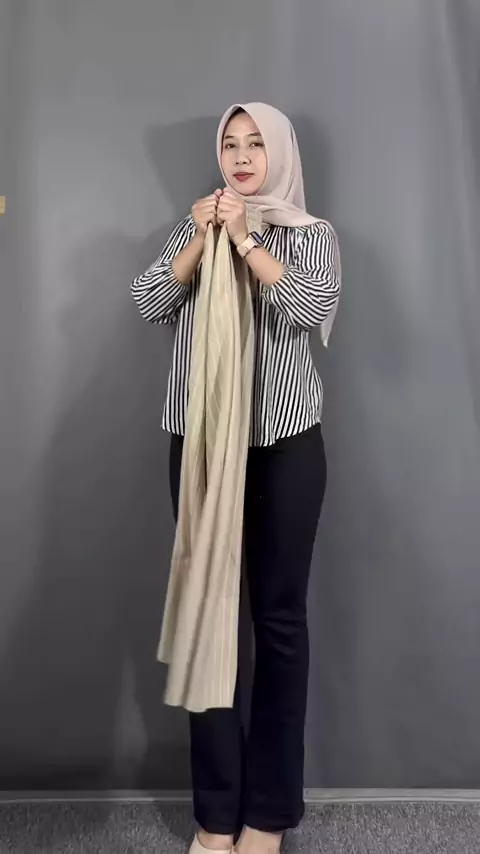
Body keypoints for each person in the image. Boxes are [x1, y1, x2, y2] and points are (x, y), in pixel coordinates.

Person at [131, 103, 340, 854]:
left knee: (278, 625)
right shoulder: (196, 227)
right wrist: (200, 238)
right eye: (230, 143)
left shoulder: (309, 234)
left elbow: (311, 306)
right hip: (202, 450)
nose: (242, 155)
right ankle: (216, 818)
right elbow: (149, 301)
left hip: (284, 448)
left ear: (279, 152)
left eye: (256, 143)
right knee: (208, 620)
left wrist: (247, 237)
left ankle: (267, 817)